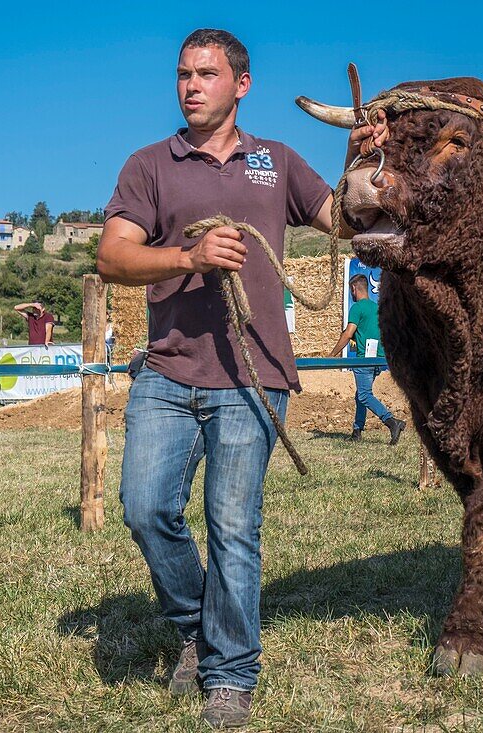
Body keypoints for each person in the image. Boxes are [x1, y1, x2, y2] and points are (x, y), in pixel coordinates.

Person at [95, 28, 387, 729]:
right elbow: (112, 257)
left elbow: (343, 222)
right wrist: (188, 256)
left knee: (233, 526)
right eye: (183, 74)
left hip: (254, 378)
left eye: (206, 74)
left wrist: (361, 162)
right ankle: (198, 623)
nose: (191, 86)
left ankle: (229, 675)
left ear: (241, 84)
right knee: (144, 508)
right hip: (166, 371)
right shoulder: (150, 165)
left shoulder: (277, 162)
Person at [328, 274, 405, 444]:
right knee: (360, 394)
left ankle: (392, 422)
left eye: (351, 290)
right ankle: (357, 430)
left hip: (363, 360)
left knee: (364, 395)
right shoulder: (378, 308)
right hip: (378, 360)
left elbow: (348, 334)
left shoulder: (357, 308)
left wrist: (332, 355)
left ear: (354, 289)